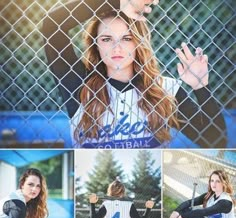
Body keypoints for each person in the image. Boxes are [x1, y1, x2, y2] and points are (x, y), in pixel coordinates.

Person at [42, 0, 227, 149]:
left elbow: (215, 141)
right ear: (96, 45)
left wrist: (201, 86)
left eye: (127, 38)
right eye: (107, 39)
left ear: (139, 43)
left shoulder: (164, 90)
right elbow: (52, 24)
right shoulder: (80, 85)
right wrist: (119, 2)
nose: (117, 47)